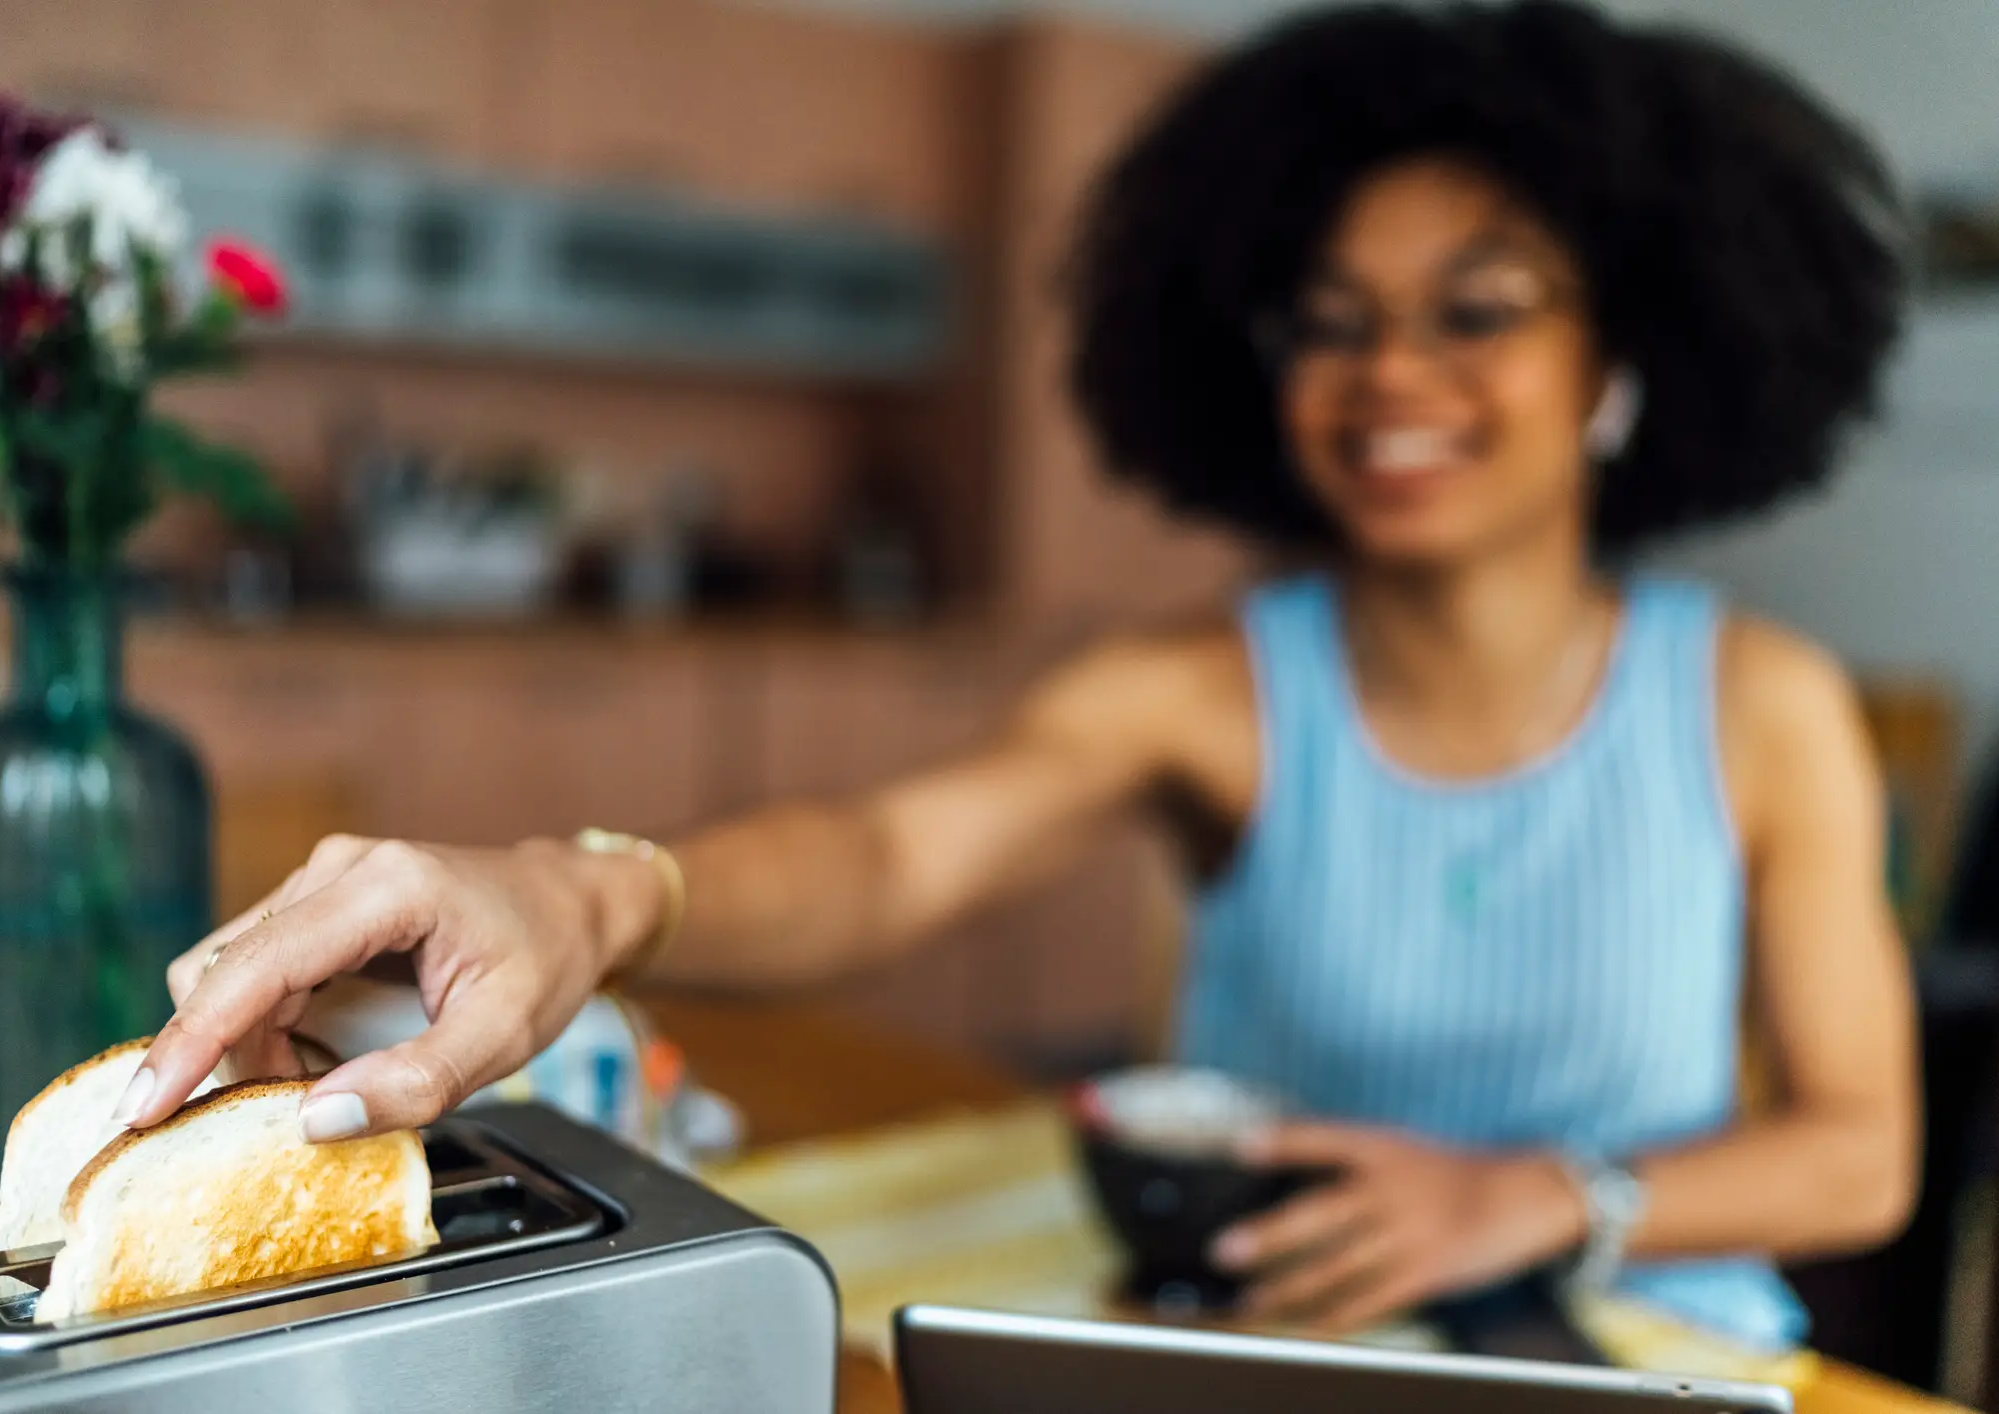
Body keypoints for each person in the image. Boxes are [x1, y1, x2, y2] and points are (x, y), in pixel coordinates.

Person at [120, 0, 1918, 1351]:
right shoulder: (1205, 690)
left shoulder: (1763, 705)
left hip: (1660, 1349)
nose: (1391, 372)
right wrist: (580, 892)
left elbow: (1862, 1154)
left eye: (1479, 307)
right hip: (1280, 1354)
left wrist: (1541, 1195)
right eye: (1329, 318)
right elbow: (887, 855)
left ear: (1622, 360)